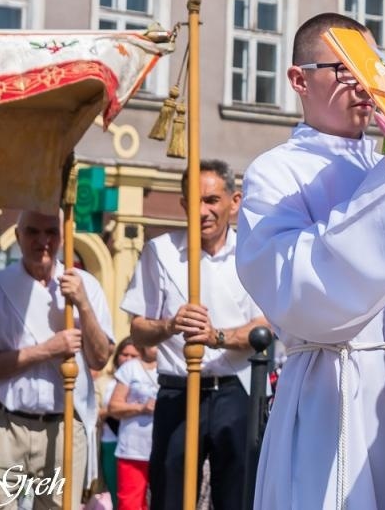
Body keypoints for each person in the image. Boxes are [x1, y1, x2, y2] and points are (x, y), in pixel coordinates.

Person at [235, 13, 385, 510]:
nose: (364, 84)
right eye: (344, 69)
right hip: (332, 392)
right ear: (299, 80)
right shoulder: (275, 175)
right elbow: (301, 293)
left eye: (372, 68)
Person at [122, 160, 268, 510]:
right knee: (170, 492)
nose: (202, 211)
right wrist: (169, 326)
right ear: (183, 203)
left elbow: (265, 328)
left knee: (237, 495)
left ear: (234, 202)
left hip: (235, 388)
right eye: (194, 200)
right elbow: (138, 330)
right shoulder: (161, 252)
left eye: (212, 201)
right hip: (177, 388)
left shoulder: (252, 253)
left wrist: (216, 336)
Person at [0, 210, 114, 510]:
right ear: (18, 235)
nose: (43, 241)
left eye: (51, 232)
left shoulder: (86, 286)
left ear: (63, 236)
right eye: (33, 232)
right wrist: (46, 350)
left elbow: (100, 358)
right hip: (2, 426)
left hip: (64, 424)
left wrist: (83, 305)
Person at [106, 340, 159, 510]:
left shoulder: (175, 366)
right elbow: (113, 407)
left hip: (164, 450)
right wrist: (141, 408)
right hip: (133, 451)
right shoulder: (130, 368)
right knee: (130, 505)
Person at [94, 340, 138, 506]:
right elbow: (93, 412)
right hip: (110, 442)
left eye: (133, 356)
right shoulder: (104, 382)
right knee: (116, 494)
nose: (128, 359)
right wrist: (116, 409)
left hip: (137, 445)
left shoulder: (146, 377)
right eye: (124, 354)